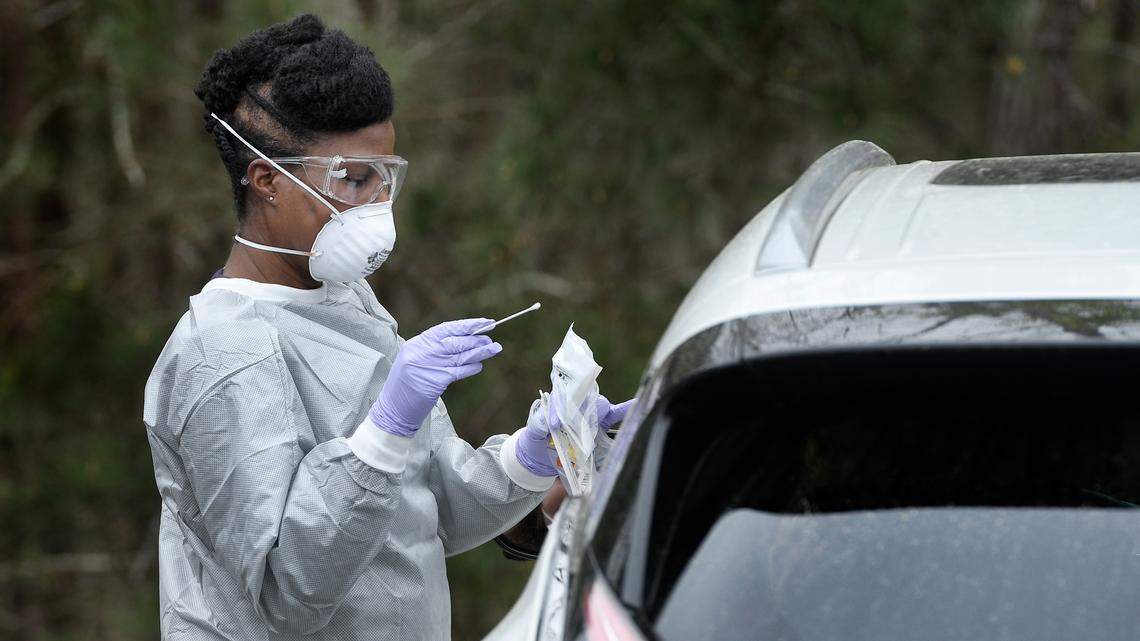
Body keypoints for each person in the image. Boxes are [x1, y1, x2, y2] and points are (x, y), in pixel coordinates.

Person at [143, 14, 630, 640]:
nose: (377, 204)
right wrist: (383, 429)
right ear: (267, 180)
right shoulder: (227, 349)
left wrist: (531, 456)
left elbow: (426, 512)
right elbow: (286, 589)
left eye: (386, 178)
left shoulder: (349, 301)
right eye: (353, 179)